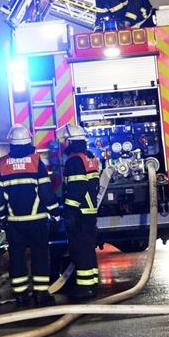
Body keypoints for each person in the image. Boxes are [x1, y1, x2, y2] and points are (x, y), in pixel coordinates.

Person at [0, 124, 61, 307]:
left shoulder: (2, 165)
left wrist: (0, 216)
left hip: (14, 223)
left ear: (11, 143)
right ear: (28, 141)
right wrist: (54, 212)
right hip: (37, 220)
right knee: (40, 255)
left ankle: (21, 295)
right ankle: (40, 292)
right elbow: (46, 191)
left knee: (17, 257)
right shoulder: (36, 162)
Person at [57, 123, 100, 302]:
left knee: (80, 249)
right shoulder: (89, 157)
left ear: (70, 141)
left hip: (80, 212)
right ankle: (92, 283)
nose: (63, 144)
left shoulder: (74, 160)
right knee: (88, 248)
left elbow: (75, 188)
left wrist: (70, 212)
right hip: (89, 211)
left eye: (64, 141)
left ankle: (84, 287)